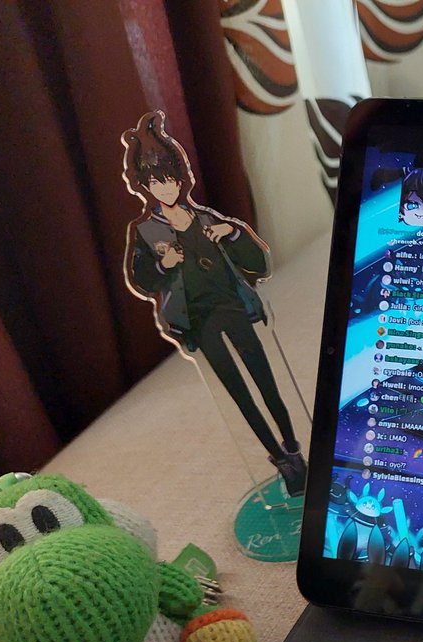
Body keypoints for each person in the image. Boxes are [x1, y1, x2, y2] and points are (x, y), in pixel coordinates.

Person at [120, 111, 306, 496]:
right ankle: (280, 461)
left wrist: (232, 232)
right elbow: (141, 278)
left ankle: (294, 449)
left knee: (267, 384)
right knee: (239, 394)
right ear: (145, 187)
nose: (164, 188)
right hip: (198, 320)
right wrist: (163, 264)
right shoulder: (146, 231)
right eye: (155, 183)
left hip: (233, 308)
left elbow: (258, 263)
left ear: (180, 179)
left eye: (169, 180)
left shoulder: (207, 217)